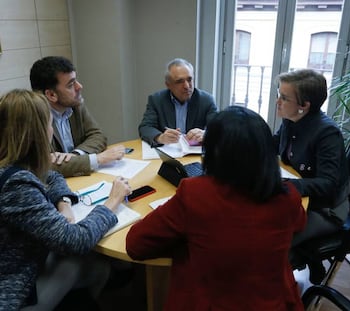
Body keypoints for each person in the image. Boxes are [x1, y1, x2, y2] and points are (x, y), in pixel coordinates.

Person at [127, 106, 306, 310]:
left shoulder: (196, 194)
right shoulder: (288, 195)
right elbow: (298, 223)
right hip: (272, 302)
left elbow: (135, 244)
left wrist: (188, 239)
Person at [0, 89, 132, 310]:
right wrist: (113, 201)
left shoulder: (14, 164)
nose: (51, 131)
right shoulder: (15, 184)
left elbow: (52, 175)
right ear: (37, 133)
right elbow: (75, 240)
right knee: (88, 263)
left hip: (23, 261)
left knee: (97, 267)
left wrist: (64, 202)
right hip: (12, 289)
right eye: (49, 124)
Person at [273, 69, 350, 283]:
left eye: (284, 98)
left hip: (326, 209)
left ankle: (282, 278)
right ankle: (308, 261)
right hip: (301, 199)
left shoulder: (327, 134)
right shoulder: (292, 119)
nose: (278, 101)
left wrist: (287, 185)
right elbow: (273, 144)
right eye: (278, 94)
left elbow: (328, 185)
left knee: (271, 238)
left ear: (304, 105)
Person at [30, 56, 126, 178]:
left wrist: (75, 155)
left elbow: (98, 136)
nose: (79, 86)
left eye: (76, 80)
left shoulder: (76, 105)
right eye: (70, 85)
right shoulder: (32, 117)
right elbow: (44, 166)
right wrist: (98, 159)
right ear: (51, 94)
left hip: (78, 179)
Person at [138, 58, 217, 146]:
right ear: (168, 85)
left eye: (189, 79)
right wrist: (160, 137)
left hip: (194, 154)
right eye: (180, 82)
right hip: (167, 153)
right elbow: (145, 127)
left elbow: (219, 129)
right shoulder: (157, 100)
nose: (187, 86)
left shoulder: (206, 100)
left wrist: (205, 134)